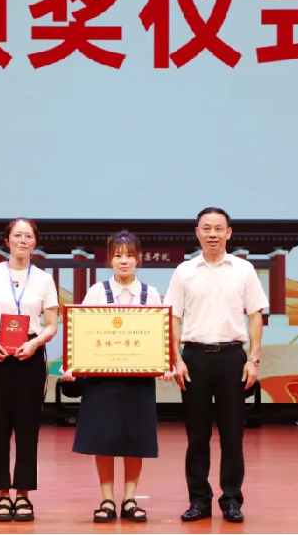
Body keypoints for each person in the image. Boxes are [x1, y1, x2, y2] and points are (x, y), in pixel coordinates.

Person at [162, 207, 269, 523]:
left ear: (228, 233)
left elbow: (255, 315)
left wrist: (253, 358)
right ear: (197, 232)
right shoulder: (184, 271)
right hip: (193, 358)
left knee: (232, 435)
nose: (212, 234)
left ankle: (231, 499)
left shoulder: (243, 270)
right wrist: (176, 359)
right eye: (206, 228)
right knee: (197, 436)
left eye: (218, 228)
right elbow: (173, 317)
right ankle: (199, 500)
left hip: (232, 358)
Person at [60, 230, 162, 523]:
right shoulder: (96, 291)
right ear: (110, 260)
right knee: (103, 439)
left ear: (138, 259)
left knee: (135, 438)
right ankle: (106, 499)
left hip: (139, 379)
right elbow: (81, 333)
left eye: (129, 255)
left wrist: (164, 363)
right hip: (101, 380)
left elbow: (159, 337)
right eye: (118, 256)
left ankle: (130, 499)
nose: (124, 261)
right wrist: (72, 366)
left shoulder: (150, 294)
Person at [0, 217, 59, 522]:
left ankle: (23, 495)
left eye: (28, 236)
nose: (23, 241)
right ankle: (1, 496)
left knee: (27, 428)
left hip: (30, 354)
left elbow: (51, 325)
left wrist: (35, 344)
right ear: (7, 241)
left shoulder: (44, 280)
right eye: (17, 235)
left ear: (35, 242)